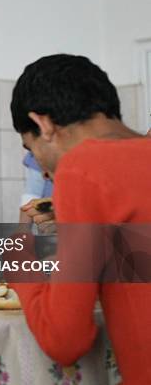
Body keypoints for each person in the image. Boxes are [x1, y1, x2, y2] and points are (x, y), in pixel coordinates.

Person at [10, 53, 151, 384]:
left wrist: (20, 264)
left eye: (32, 150)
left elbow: (65, 339)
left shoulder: (82, 167)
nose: (42, 169)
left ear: (43, 124)